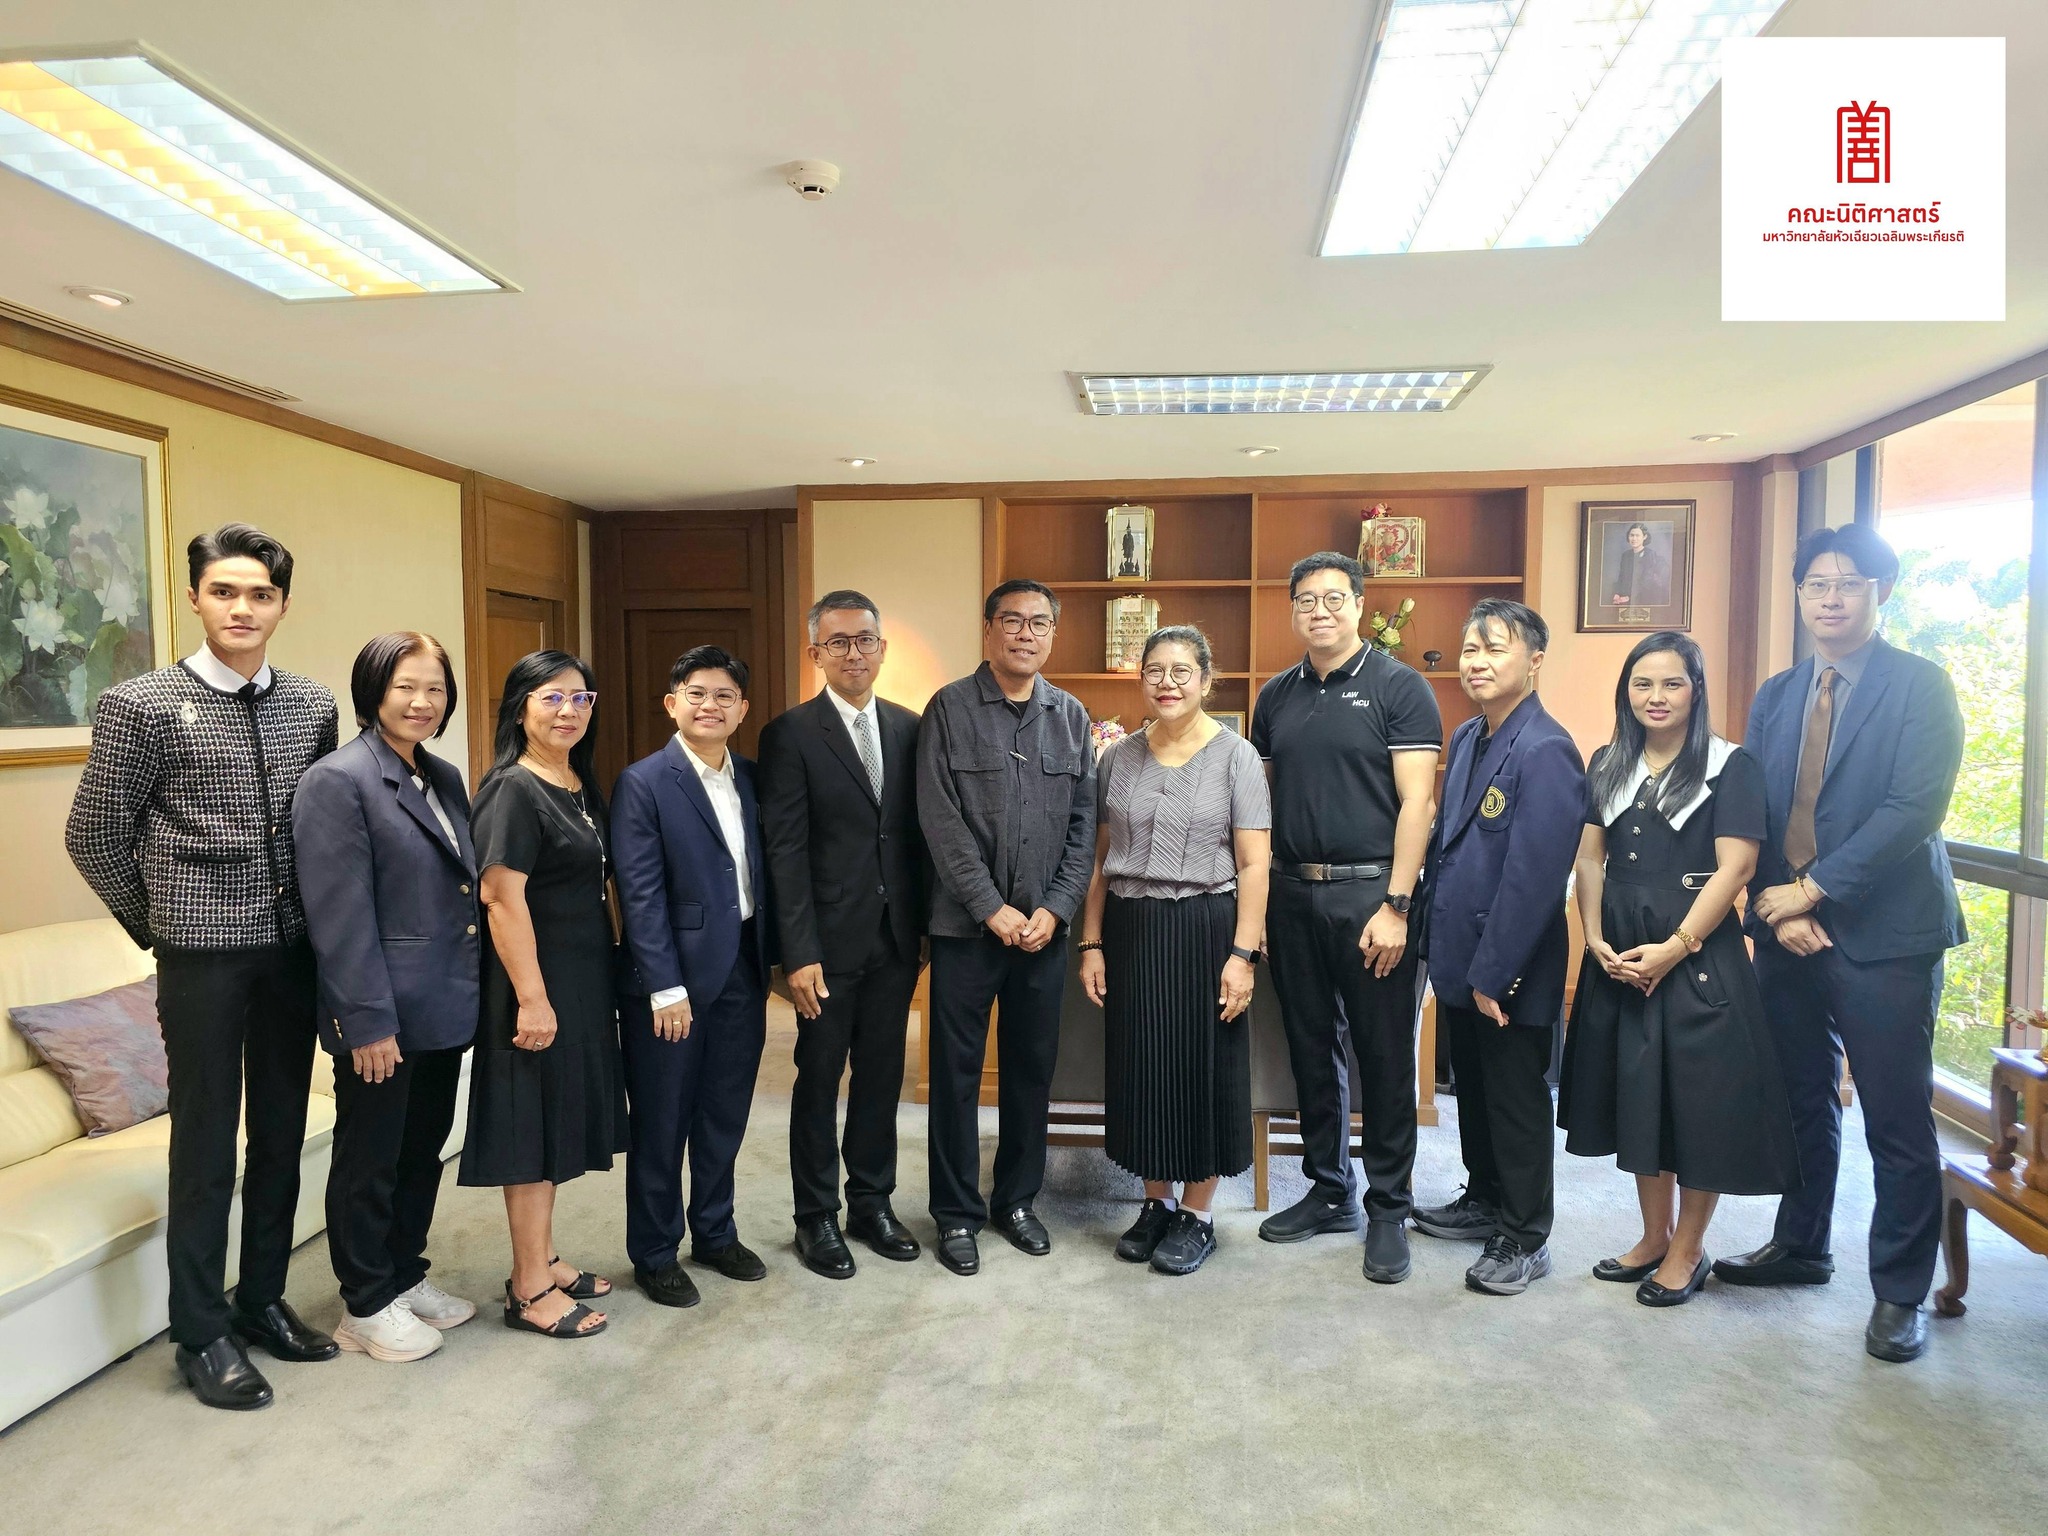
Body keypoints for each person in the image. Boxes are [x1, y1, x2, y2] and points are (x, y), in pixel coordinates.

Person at [66, 524, 338, 1411]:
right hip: (201, 960)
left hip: (292, 953)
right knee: (206, 1143)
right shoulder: (142, 704)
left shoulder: (311, 704)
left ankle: (261, 1299)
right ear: (195, 598)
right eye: (225, 591)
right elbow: (94, 836)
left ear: (282, 605)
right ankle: (201, 1329)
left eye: (261, 594)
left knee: (282, 1133)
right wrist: (162, 928)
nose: (242, 608)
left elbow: (323, 828)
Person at [1716, 525, 1966, 1364]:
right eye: (1816, 584)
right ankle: (1802, 1245)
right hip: (1788, 931)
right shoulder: (1779, 693)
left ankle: (1900, 1293)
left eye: (1848, 583)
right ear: (1799, 595)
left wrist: (1814, 890)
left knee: (1895, 1117)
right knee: (1799, 1099)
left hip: (1886, 937)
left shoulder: (1921, 686)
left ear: (1881, 592)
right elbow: (1755, 806)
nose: (1830, 598)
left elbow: (1913, 809)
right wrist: (1775, 906)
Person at [1558, 632, 1798, 1307]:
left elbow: (1737, 868)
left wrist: (1678, 945)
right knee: (1641, 1095)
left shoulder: (1730, 765)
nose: (1656, 697)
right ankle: (1653, 1236)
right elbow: (1589, 858)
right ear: (1626, 692)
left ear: (1696, 691)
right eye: (1643, 684)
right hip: (1621, 949)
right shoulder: (1609, 760)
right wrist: (1594, 937)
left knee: (1697, 1104)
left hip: (1696, 953)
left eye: (1672, 683)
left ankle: (1688, 1249)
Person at [1250, 551, 1440, 1284]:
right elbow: (1263, 806)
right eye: (1306, 600)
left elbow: (1418, 803)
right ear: (1292, 610)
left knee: (1384, 1055)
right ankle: (1330, 1190)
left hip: (1372, 898)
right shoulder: (1275, 695)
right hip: (1293, 894)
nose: (1320, 611)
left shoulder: (1400, 687)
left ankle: (1389, 1206)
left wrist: (1397, 904)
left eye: (1334, 598)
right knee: (1309, 1047)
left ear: (1359, 606)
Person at [294, 632, 481, 1360]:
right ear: (373, 690)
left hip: (440, 1005)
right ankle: (366, 1302)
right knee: (369, 1158)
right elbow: (339, 916)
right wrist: (367, 1021)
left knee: (421, 1150)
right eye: (405, 686)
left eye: (435, 688)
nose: (421, 701)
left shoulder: (442, 774)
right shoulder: (338, 781)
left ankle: (404, 1272)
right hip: (382, 1014)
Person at [1077, 626, 1270, 1276]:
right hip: (1132, 928)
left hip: (1208, 927)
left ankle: (1198, 1214)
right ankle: (1155, 1202)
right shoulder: (1118, 757)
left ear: (1206, 681)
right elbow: (1101, 857)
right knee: (1142, 1067)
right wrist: (1092, 941)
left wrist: (1243, 954)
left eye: (1181, 671)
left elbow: (1255, 864)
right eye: (1155, 670)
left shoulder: (1237, 756)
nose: (1167, 682)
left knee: (1204, 1067)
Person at [918, 579, 1097, 1276]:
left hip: (1042, 933)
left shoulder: (1071, 716)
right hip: (967, 929)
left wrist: (1056, 908)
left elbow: (1084, 827)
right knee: (956, 1075)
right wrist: (990, 906)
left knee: (1030, 1072)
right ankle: (956, 1213)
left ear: (1053, 634)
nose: (1026, 633)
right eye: (1013, 621)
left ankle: (1017, 1202)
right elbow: (940, 820)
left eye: (1039, 623)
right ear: (989, 629)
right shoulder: (949, 708)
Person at [1411, 600, 1585, 1296]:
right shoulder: (1468, 736)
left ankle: (1525, 1233)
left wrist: (1494, 974)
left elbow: (1534, 879)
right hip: (1460, 952)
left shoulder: (1547, 749)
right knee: (1474, 1090)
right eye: (1470, 649)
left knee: (1515, 1100)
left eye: (1494, 648)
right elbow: (1450, 849)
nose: (1477, 662)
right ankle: (1484, 1197)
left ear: (1534, 661)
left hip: (1510, 966)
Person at [759, 593, 927, 1279]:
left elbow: (915, 837)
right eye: (838, 642)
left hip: (895, 940)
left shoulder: (911, 728)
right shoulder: (791, 733)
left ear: (882, 648)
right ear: (816, 654)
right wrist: (798, 952)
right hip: (824, 947)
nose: (853, 653)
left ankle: (871, 1204)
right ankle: (815, 1216)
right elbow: (785, 850)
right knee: (819, 1078)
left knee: (882, 1078)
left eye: (864, 640)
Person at [458, 651, 625, 1340]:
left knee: (558, 1121)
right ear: (520, 706)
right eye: (551, 697)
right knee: (530, 1129)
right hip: (533, 983)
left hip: (579, 979)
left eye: (581, 698)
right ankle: (528, 1286)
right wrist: (532, 997)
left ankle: (545, 1257)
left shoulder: (575, 781)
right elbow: (500, 898)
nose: (568, 711)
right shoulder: (512, 789)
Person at [613, 645, 776, 1306]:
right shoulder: (644, 781)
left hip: (743, 966)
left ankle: (714, 1232)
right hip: (671, 981)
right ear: (672, 703)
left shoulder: (753, 778)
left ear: (743, 709)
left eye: (724, 696)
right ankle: (655, 1252)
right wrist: (665, 985)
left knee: (723, 1112)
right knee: (662, 1121)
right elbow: (640, 893)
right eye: (697, 693)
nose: (711, 705)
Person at [1608, 521, 1671, 608]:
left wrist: (1629, 597)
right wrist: (1617, 593)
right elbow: (1622, 577)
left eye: (1637, 535)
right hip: (1624, 599)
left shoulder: (1650, 555)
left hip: (1644, 598)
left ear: (1644, 537)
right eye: (1632, 535)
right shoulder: (1626, 555)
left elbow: (1647, 581)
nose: (1634, 539)